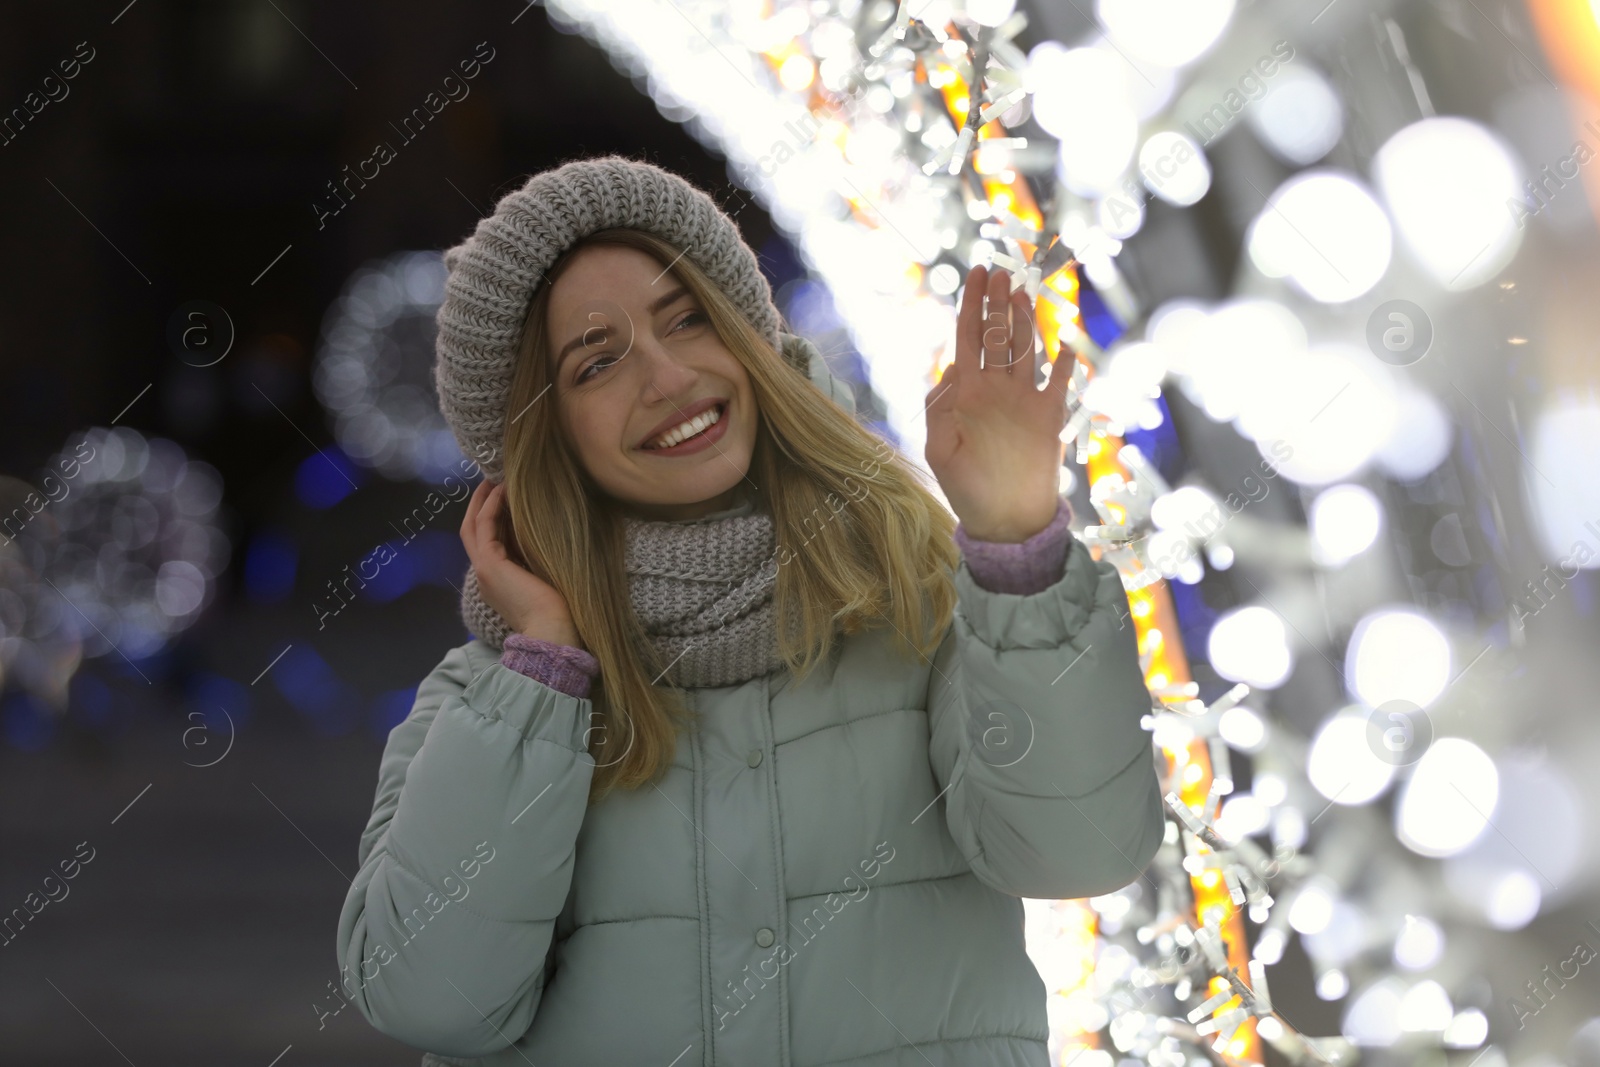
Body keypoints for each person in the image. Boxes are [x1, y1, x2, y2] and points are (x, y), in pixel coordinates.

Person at [336, 153, 1164, 1066]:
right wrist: (543, 673)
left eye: (687, 319)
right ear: (546, 435)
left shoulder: (922, 604)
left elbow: (1081, 848)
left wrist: (1018, 542)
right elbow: (429, 998)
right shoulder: (494, 701)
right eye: (597, 360)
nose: (664, 375)